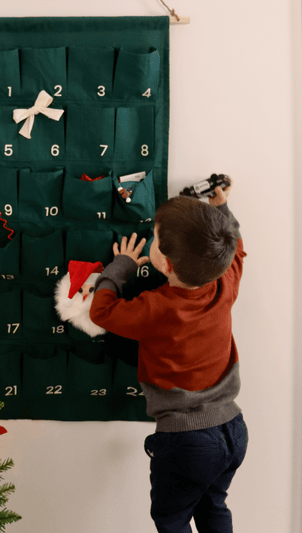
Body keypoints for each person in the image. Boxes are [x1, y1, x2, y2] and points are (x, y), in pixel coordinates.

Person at [90, 180, 248, 533]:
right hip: (233, 433)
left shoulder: (157, 308)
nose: (150, 237)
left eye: (155, 238)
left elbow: (102, 312)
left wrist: (120, 266)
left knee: (171, 518)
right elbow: (235, 245)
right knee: (213, 505)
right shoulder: (226, 282)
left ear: (168, 265)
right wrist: (220, 209)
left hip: (187, 441)